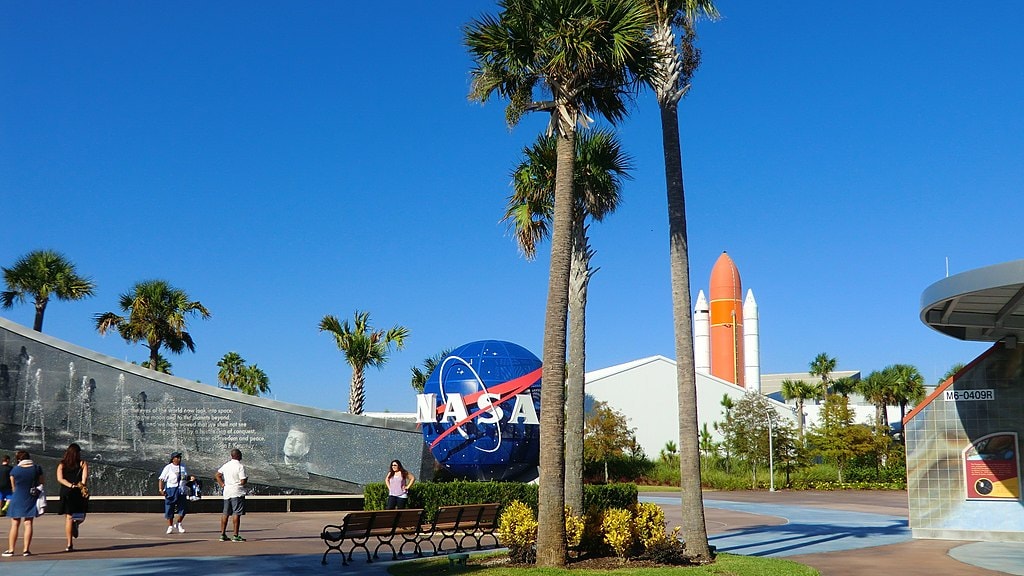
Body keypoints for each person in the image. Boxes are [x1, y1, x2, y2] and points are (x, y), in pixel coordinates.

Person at [4, 450, 42, 557]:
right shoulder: (36, 468)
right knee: (28, 523)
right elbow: (41, 482)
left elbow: (13, 486)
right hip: (30, 497)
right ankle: (26, 550)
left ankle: (11, 550)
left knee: (15, 524)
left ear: (19, 459)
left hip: (17, 497)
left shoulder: (15, 470)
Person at [56, 443, 89, 552]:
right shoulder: (83, 463)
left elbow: (60, 479)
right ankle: (76, 524)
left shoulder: (62, 464)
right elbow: (84, 479)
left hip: (66, 492)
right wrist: (80, 486)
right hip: (78, 492)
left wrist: (70, 485)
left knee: (68, 518)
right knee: (82, 515)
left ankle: (69, 544)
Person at [215, 448, 248, 542]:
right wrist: (245, 480)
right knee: (236, 513)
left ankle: (222, 534)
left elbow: (217, 475)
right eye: (240, 455)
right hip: (236, 491)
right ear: (238, 456)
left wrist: (222, 484)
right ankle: (235, 535)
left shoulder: (226, 465)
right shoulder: (240, 466)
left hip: (227, 491)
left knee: (225, 513)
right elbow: (242, 481)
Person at [158, 451, 188, 534]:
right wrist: (161, 489)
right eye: (177, 457)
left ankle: (178, 523)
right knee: (169, 508)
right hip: (171, 489)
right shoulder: (168, 467)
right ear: (173, 459)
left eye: (179, 457)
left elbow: (184, 477)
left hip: (181, 490)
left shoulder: (183, 466)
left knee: (183, 508)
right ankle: (170, 526)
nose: (179, 459)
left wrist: (190, 478)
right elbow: (161, 479)